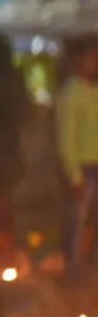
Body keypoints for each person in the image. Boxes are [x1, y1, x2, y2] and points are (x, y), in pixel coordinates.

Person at [57, 35, 98, 279]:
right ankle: (72, 272)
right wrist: (74, 175)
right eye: (91, 58)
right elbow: (66, 137)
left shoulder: (94, 92)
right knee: (76, 222)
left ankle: (93, 268)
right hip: (82, 168)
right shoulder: (70, 94)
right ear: (78, 60)